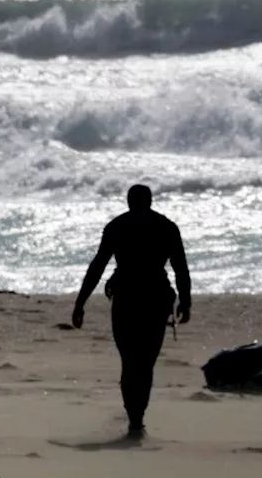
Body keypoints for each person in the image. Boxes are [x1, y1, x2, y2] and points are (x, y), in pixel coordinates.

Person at [71, 184, 192, 438]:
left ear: (129, 202)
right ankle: (138, 418)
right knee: (146, 363)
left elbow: (97, 266)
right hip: (156, 299)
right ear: (150, 201)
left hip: (126, 298)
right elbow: (181, 268)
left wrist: (80, 303)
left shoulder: (116, 226)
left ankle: (133, 415)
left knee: (129, 361)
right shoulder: (167, 227)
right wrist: (186, 301)